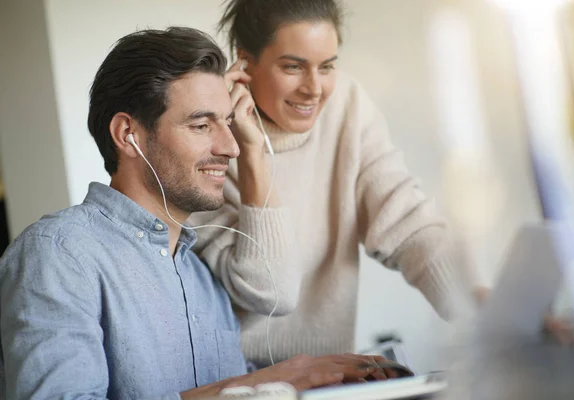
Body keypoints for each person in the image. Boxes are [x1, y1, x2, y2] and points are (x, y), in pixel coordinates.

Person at [0, 27, 396, 400]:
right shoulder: (57, 255)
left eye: (227, 122)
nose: (231, 147)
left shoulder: (202, 274)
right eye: (201, 125)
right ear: (127, 135)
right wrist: (259, 382)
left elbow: (268, 307)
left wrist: (321, 380)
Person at [188, 0, 475, 369]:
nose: (314, 89)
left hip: (328, 374)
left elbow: (406, 219)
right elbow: (270, 291)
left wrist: (480, 310)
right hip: (235, 381)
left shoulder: (347, 105)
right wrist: (252, 151)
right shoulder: (206, 139)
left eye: (326, 67)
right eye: (293, 67)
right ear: (245, 64)